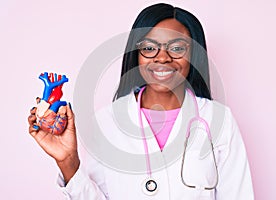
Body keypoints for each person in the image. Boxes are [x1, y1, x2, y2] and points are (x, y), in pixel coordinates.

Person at [28, 3, 254, 199]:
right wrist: (69, 162)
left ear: (193, 55)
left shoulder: (219, 120)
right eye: (149, 47)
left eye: (177, 48)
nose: (163, 57)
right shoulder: (107, 121)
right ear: (136, 54)